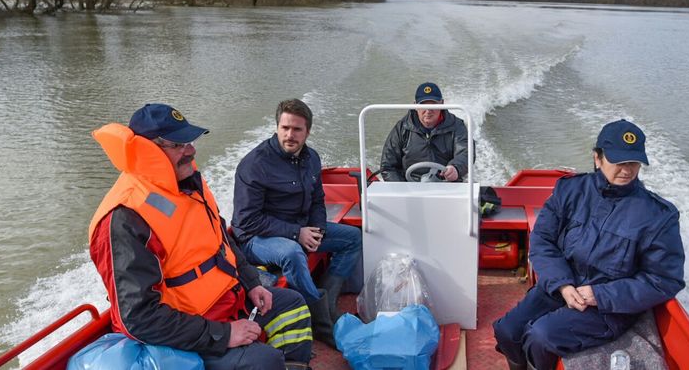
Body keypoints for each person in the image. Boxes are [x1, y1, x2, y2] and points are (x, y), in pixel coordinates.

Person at [88, 104, 312, 370]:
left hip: (227, 301)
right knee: (264, 361)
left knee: (294, 306)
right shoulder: (124, 217)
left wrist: (252, 283)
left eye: (190, 141)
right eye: (179, 144)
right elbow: (138, 318)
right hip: (183, 333)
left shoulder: (190, 183)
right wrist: (223, 335)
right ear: (149, 150)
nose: (191, 150)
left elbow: (221, 241)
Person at [493, 119, 686, 370]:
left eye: (634, 163)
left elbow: (665, 280)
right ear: (597, 158)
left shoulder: (658, 216)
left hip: (607, 307)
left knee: (540, 337)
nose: (627, 170)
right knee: (507, 330)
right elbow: (543, 240)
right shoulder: (570, 190)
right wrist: (563, 284)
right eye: (618, 162)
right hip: (560, 287)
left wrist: (600, 295)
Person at [232, 98, 363, 348]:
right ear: (277, 127)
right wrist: (296, 234)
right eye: (285, 128)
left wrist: (317, 230)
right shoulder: (255, 164)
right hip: (255, 238)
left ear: (307, 132)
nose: (290, 135)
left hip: (298, 226)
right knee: (292, 253)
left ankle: (327, 299)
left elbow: (317, 200)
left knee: (352, 238)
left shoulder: (311, 158)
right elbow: (247, 220)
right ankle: (322, 323)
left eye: (297, 129)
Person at [380, 82, 470, 182]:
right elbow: (388, 167)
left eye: (433, 105)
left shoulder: (457, 126)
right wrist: (402, 190)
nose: (428, 110)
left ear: (442, 104)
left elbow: (466, 153)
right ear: (415, 105)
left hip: (447, 185)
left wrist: (456, 168)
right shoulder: (402, 128)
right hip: (409, 187)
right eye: (423, 104)